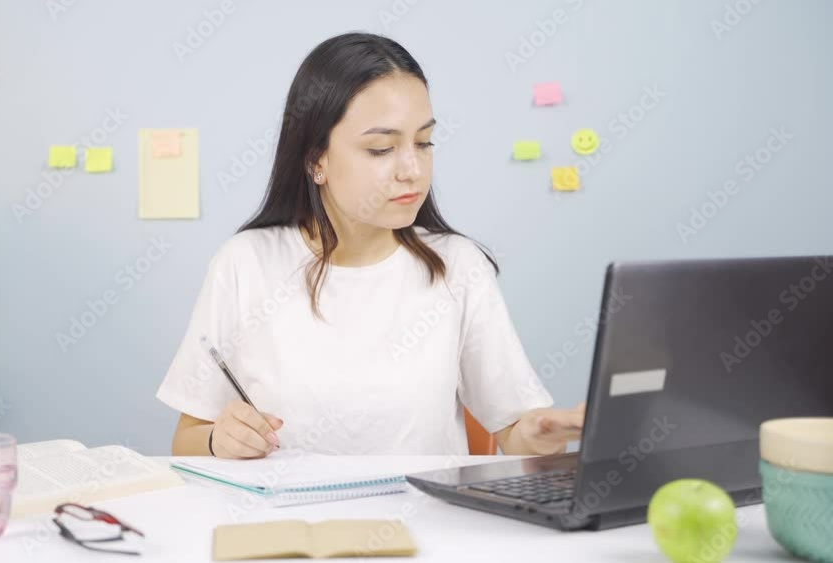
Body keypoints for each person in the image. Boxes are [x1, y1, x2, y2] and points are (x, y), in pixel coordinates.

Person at [157, 32, 584, 459]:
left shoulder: (458, 266)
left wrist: (542, 433)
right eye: (381, 149)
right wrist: (218, 439)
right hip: (286, 506)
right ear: (316, 160)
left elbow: (515, 431)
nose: (412, 170)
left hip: (422, 505)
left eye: (424, 142)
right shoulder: (244, 263)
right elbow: (186, 442)